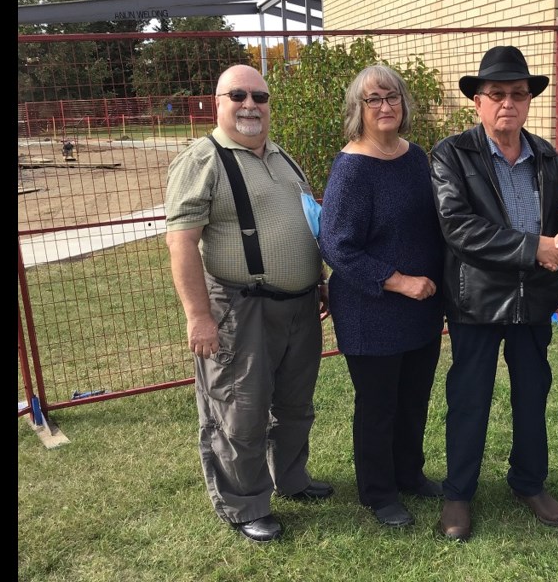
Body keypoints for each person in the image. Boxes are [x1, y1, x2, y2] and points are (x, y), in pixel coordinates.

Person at [164, 64, 334, 543]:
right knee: (240, 408)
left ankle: (292, 479)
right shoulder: (204, 159)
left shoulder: (282, 157)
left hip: (300, 304)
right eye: (237, 95)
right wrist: (199, 316)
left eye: (259, 96)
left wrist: (317, 279)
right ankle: (244, 504)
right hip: (240, 308)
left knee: (295, 405)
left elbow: (306, 222)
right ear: (217, 102)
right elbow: (181, 243)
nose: (250, 104)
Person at [429, 46, 558, 542]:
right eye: (496, 94)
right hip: (477, 300)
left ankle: (529, 482)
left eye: (518, 94)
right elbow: (458, 227)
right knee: (469, 399)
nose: (507, 103)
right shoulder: (452, 154)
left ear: (528, 100)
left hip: (535, 301)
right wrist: (531, 246)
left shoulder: (546, 156)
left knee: (532, 395)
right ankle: (458, 494)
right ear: (478, 100)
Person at [318, 65, 446, 529]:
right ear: (359, 110)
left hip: (422, 307)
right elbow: (336, 243)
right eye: (373, 99)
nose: (385, 107)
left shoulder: (416, 158)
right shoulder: (352, 167)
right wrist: (397, 280)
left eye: (392, 97)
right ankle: (379, 492)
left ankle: (409, 474)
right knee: (378, 408)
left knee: (413, 399)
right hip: (372, 309)